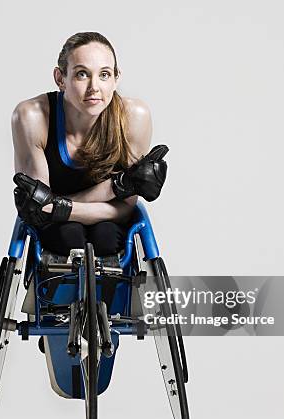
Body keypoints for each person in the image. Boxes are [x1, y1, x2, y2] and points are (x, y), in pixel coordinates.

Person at [12, 31, 168, 258]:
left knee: (106, 239)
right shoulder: (33, 117)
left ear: (116, 78)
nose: (94, 87)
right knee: (70, 237)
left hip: (111, 219)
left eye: (104, 74)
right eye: (82, 74)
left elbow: (125, 209)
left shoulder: (134, 116)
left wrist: (61, 207)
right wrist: (116, 186)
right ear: (60, 78)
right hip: (56, 227)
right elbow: (40, 210)